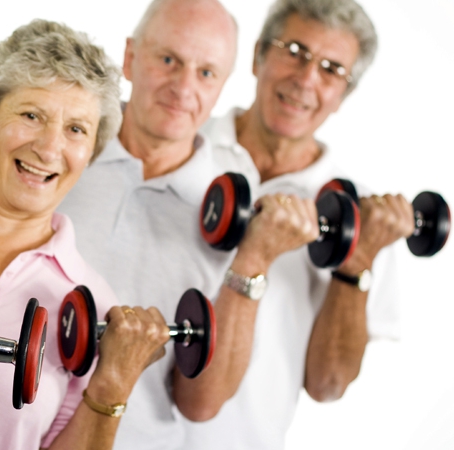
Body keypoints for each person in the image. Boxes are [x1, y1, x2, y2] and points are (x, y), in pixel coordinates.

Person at [0, 19, 171, 450]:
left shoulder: (91, 303)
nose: (48, 149)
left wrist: (115, 382)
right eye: (31, 115)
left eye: (76, 129)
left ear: (92, 150)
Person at [176, 0, 415, 448]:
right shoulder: (178, 147)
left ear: (344, 95)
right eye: (295, 52)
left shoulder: (358, 213)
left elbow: (328, 384)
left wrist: (357, 260)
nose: (306, 80)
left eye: (330, 69)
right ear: (257, 56)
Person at [56, 0, 245, 448]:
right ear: (129, 58)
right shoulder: (53, 147)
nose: (183, 87)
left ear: (221, 87)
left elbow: (201, 404)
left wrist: (254, 261)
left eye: (206, 73)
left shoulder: (232, 213)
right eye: (168, 60)